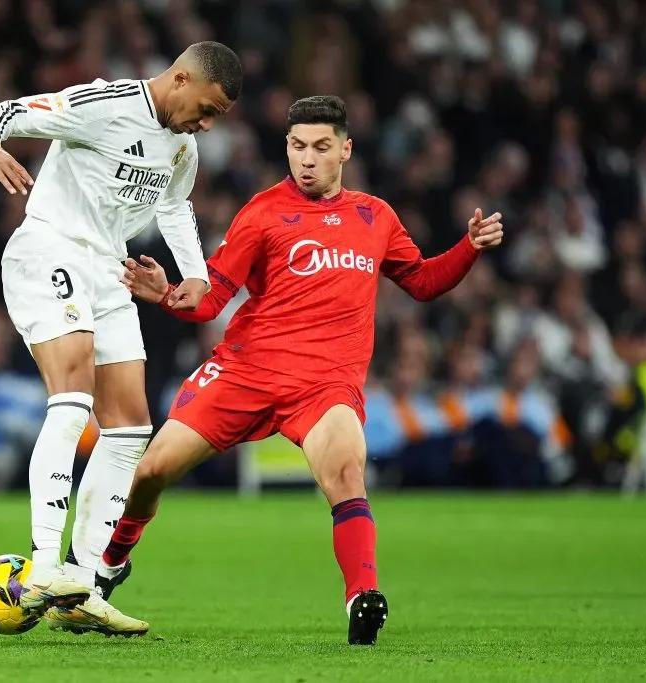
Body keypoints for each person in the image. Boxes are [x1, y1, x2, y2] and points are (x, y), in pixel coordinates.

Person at [92, 95, 504, 644]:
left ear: (346, 150)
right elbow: (213, 300)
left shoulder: (374, 217)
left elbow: (424, 282)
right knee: (151, 473)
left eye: (320, 147)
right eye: (296, 147)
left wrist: (468, 248)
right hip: (246, 371)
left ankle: (363, 597)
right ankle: (114, 559)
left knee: (346, 473)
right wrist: (165, 294)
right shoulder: (262, 213)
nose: (306, 160)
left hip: (325, 385)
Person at [0, 41, 242, 635]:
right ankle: (43, 565)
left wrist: (195, 273)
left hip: (110, 271)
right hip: (50, 250)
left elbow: (175, 207)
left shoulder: (182, 146)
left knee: (130, 426)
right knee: (72, 396)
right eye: (207, 107)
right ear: (182, 77)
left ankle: (83, 586)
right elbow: (7, 113)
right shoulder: (104, 103)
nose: (208, 123)